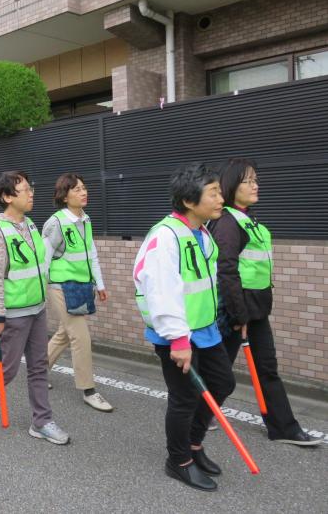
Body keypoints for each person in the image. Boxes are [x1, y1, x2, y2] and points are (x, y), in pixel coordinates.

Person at [133, 162, 235, 492]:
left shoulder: (203, 232)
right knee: (185, 398)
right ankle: (178, 461)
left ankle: (194, 444)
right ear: (190, 201)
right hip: (178, 335)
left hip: (205, 329)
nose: (222, 198)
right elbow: (161, 290)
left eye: (220, 191)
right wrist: (178, 339)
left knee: (222, 383)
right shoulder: (166, 236)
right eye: (214, 192)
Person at [209, 158, 321, 447]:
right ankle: (200, 413)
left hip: (254, 310)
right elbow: (226, 271)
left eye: (255, 179)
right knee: (220, 369)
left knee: (265, 368)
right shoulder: (227, 223)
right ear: (232, 186)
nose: (255, 185)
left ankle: (282, 427)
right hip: (236, 311)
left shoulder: (249, 219)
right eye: (247, 181)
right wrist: (239, 316)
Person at [0, 171, 69, 445]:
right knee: (7, 369)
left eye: (30, 188)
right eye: (25, 190)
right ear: (8, 197)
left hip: (37, 308)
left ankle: (42, 421)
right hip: (13, 313)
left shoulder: (30, 225)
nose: (32, 193)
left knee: (38, 366)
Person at [42, 173, 113, 412]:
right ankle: (88, 390)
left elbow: (91, 253)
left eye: (84, 188)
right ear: (64, 195)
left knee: (65, 332)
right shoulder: (56, 222)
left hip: (81, 286)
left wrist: (100, 284)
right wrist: (40, 291)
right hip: (60, 286)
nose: (84, 192)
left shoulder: (85, 219)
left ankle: (38, 373)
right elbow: (44, 260)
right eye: (77, 189)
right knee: (80, 336)